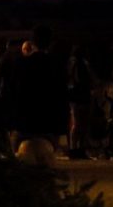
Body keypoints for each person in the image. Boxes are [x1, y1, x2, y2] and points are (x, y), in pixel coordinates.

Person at [10, 26, 69, 168]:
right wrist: (61, 125)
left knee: (19, 163)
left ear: (32, 43)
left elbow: (13, 93)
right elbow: (61, 95)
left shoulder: (21, 64)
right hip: (48, 121)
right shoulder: (57, 65)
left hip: (24, 120)